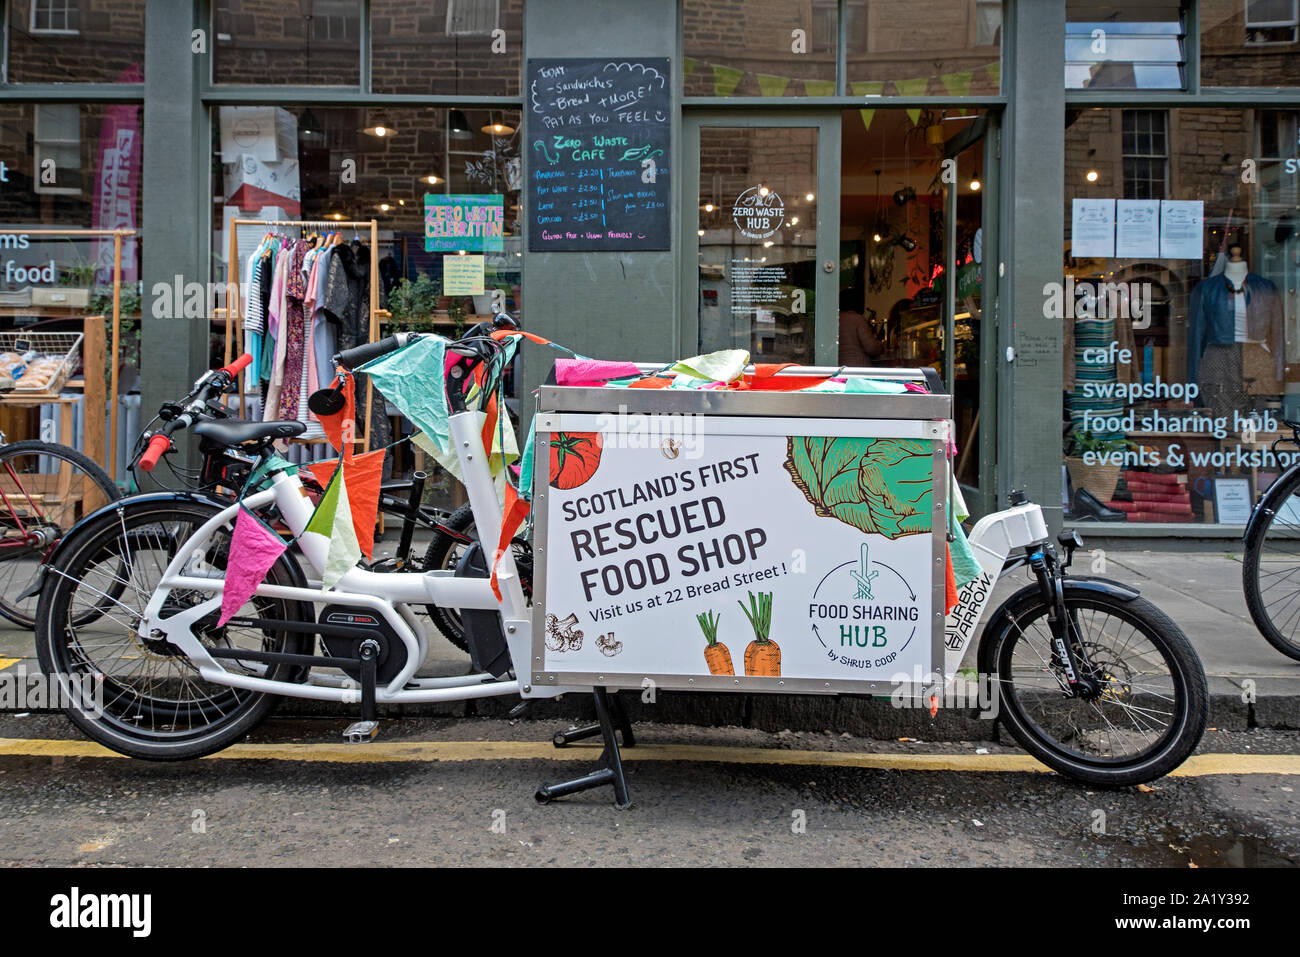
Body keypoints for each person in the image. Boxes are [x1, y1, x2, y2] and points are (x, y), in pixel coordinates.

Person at [838, 288, 883, 366]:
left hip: (836, 368)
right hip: (857, 367)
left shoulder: (833, 320)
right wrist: (880, 347)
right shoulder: (857, 319)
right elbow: (871, 347)